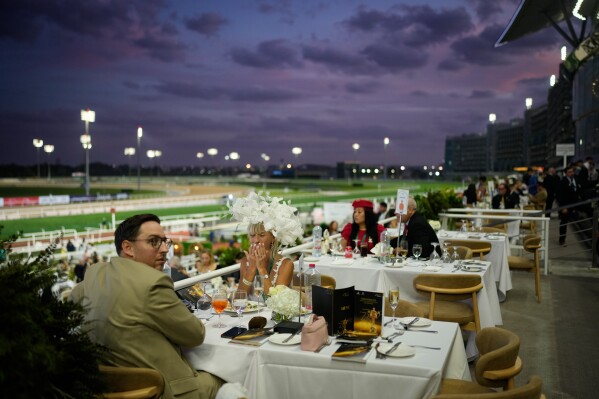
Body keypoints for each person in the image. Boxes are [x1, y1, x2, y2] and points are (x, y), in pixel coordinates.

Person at [69, 214, 224, 399]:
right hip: (162, 390)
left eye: (164, 241)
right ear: (127, 247)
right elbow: (195, 334)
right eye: (154, 242)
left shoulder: (94, 274)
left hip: (108, 388)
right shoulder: (154, 282)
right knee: (231, 375)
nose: (165, 249)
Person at [229, 192, 303, 297]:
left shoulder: (286, 265)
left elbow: (275, 301)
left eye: (262, 235)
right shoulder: (245, 262)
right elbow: (239, 299)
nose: (256, 240)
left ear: (273, 237)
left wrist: (262, 269)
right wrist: (251, 270)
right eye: (252, 235)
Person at [557, 167, 581, 246]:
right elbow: (560, 196)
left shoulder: (575, 180)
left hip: (574, 204)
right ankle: (562, 239)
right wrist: (563, 207)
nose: (572, 173)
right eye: (570, 172)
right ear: (566, 173)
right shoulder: (562, 181)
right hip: (566, 205)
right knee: (564, 222)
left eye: (572, 171)